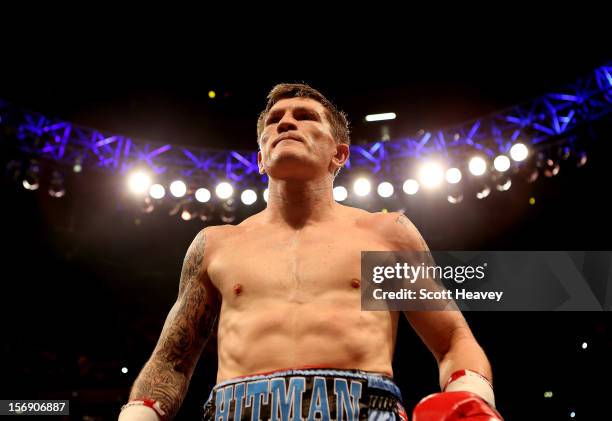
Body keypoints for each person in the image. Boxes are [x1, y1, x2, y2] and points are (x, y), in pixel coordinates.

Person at [118, 83, 503, 421]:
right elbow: (171, 359)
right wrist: (138, 415)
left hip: (365, 410)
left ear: (339, 154)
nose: (285, 123)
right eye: (274, 120)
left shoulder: (385, 235)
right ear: (260, 159)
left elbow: (453, 338)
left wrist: (470, 398)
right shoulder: (216, 244)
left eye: (305, 116)